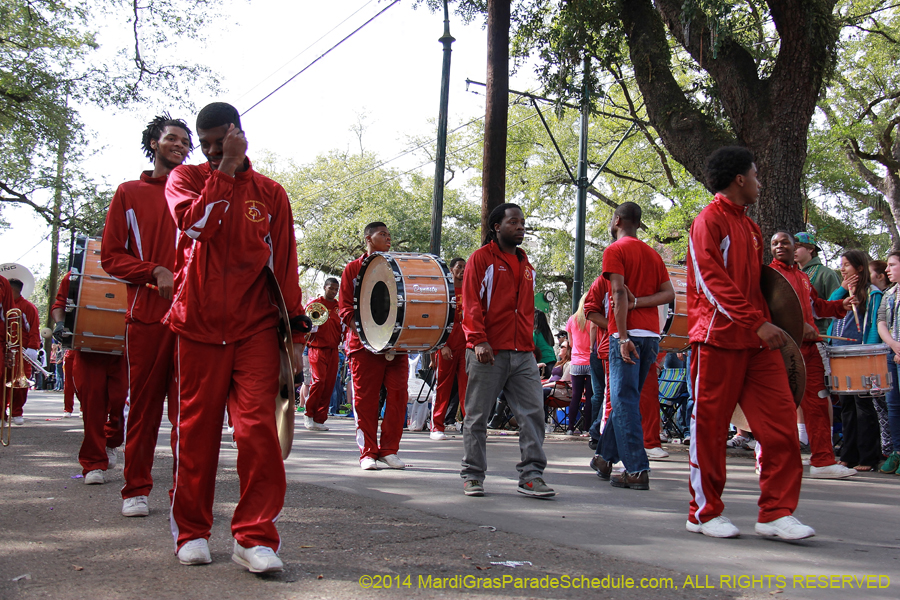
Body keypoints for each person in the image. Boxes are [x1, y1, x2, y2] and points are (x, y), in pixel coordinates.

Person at [164, 102, 309, 572]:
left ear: (238, 133)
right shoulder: (185, 180)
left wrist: (295, 336)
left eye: (218, 142)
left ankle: (254, 537)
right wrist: (223, 167)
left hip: (256, 328)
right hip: (199, 324)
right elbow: (196, 227)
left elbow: (285, 267)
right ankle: (191, 531)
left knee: (259, 432)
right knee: (195, 433)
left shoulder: (270, 193)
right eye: (204, 145)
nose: (208, 151)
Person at [684, 146, 812, 541]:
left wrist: (788, 322)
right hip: (717, 341)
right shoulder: (708, 221)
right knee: (709, 428)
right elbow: (711, 282)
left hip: (759, 345)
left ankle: (775, 512)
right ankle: (703, 513)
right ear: (740, 178)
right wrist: (757, 323)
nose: (759, 182)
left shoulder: (751, 227)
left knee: (781, 428)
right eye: (755, 175)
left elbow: (764, 286)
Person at [101, 113, 193, 518]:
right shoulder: (129, 192)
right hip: (147, 315)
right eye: (172, 138)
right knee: (144, 407)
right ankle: (135, 488)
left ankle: (184, 494)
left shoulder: (199, 192)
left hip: (195, 317)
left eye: (185, 141)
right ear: (154, 143)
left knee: (189, 412)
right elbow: (110, 256)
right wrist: (153, 271)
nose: (179, 144)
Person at [459, 203, 555, 498]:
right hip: (488, 351)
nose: (520, 227)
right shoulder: (481, 259)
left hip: (523, 352)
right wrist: (478, 340)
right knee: (477, 416)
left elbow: (528, 313)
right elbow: (471, 302)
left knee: (533, 413)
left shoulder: (528, 266)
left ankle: (531, 475)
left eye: (523, 222)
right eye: (513, 222)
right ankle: (473, 475)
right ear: (497, 227)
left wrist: (535, 347)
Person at [589, 202, 674, 491]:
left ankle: (637, 469)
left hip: (625, 335)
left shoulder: (615, 250)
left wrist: (622, 336)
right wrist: (641, 303)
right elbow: (668, 294)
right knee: (628, 398)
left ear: (618, 220)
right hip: (651, 336)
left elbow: (616, 293)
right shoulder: (653, 255)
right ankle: (603, 457)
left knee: (624, 401)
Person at [768, 231, 856, 478]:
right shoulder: (767, 276)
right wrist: (797, 327)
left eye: (785, 243)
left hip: (810, 349)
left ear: (795, 248)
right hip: (781, 349)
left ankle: (823, 461)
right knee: (779, 405)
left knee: (817, 402)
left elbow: (817, 307)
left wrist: (841, 306)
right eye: (775, 243)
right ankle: (770, 459)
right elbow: (766, 313)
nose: (780, 247)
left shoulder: (803, 277)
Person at [338, 222, 409, 470]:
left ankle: (389, 450)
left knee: (399, 396)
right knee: (365, 400)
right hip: (363, 347)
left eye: (390, 235)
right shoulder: (352, 269)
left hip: (396, 346)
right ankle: (367, 452)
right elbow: (345, 308)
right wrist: (367, 332)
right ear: (368, 238)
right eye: (383, 234)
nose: (388, 238)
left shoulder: (398, 267)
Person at [51, 272, 127, 485]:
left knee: (121, 400)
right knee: (93, 405)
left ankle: (111, 441)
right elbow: (59, 304)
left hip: (122, 350)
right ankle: (93, 464)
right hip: (87, 350)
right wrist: (60, 324)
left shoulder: (131, 269)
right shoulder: (76, 274)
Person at [827, 250, 883, 472]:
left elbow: (873, 326)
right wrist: (842, 287)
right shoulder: (842, 293)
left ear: (860, 268)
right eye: (841, 264)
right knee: (847, 406)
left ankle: (868, 457)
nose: (843, 268)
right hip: (840, 353)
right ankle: (848, 455)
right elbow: (829, 305)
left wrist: (868, 351)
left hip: (860, 354)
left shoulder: (872, 293)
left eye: (847, 265)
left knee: (863, 405)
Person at [431, 258, 466, 440]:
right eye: (459, 267)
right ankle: (437, 426)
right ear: (451, 269)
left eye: (465, 267)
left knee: (467, 388)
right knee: (443, 387)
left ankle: (469, 427)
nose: (462, 270)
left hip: (465, 347)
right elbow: (436, 320)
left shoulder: (470, 291)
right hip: (447, 347)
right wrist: (442, 345)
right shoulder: (444, 291)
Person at [304, 278, 342, 431]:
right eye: (331, 288)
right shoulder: (315, 305)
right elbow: (305, 325)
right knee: (319, 381)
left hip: (334, 350)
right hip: (317, 348)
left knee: (329, 384)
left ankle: (320, 418)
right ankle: (308, 413)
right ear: (325, 287)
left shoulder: (339, 307)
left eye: (336, 289)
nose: (333, 292)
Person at [877, 251, 900, 474]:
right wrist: (893, 345)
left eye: (892, 265)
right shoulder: (889, 294)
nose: (887, 269)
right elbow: (882, 321)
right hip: (891, 353)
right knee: (893, 405)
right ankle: (897, 451)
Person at [795, 232, 842, 336]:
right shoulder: (793, 274)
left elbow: (837, 307)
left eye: (798, 247)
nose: (793, 250)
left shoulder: (826, 274)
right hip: (796, 337)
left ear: (810, 249)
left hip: (819, 336)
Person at [7, 279, 40, 426]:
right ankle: (2, 411)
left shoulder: (28, 307)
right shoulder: (3, 306)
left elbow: (34, 328)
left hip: (22, 350)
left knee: (20, 383)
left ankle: (17, 412)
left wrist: (33, 347)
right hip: (5, 349)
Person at [583, 273, 610, 448]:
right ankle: (596, 429)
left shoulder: (575, 318)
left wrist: (592, 349)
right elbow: (593, 322)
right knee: (606, 392)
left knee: (599, 393)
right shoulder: (603, 284)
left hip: (597, 350)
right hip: (602, 349)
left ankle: (595, 429)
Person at [564, 294, 593, 436]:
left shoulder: (572, 320)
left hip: (576, 362)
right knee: (590, 397)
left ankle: (570, 428)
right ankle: (587, 428)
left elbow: (570, 343)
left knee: (575, 396)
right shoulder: (592, 319)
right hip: (591, 361)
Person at [533, 310, 556, 379]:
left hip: (543, 365)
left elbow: (531, 348)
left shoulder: (536, 333)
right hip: (553, 362)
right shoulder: (548, 333)